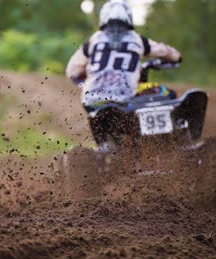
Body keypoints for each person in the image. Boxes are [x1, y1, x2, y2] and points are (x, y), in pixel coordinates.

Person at [66, 0, 182, 150]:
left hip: (93, 100)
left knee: (107, 133)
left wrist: (86, 83)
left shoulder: (94, 41)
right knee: (166, 93)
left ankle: (110, 146)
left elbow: (72, 72)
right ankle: (175, 135)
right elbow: (170, 54)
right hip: (125, 98)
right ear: (129, 18)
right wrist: (176, 56)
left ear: (103, 18)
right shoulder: (137, 39)